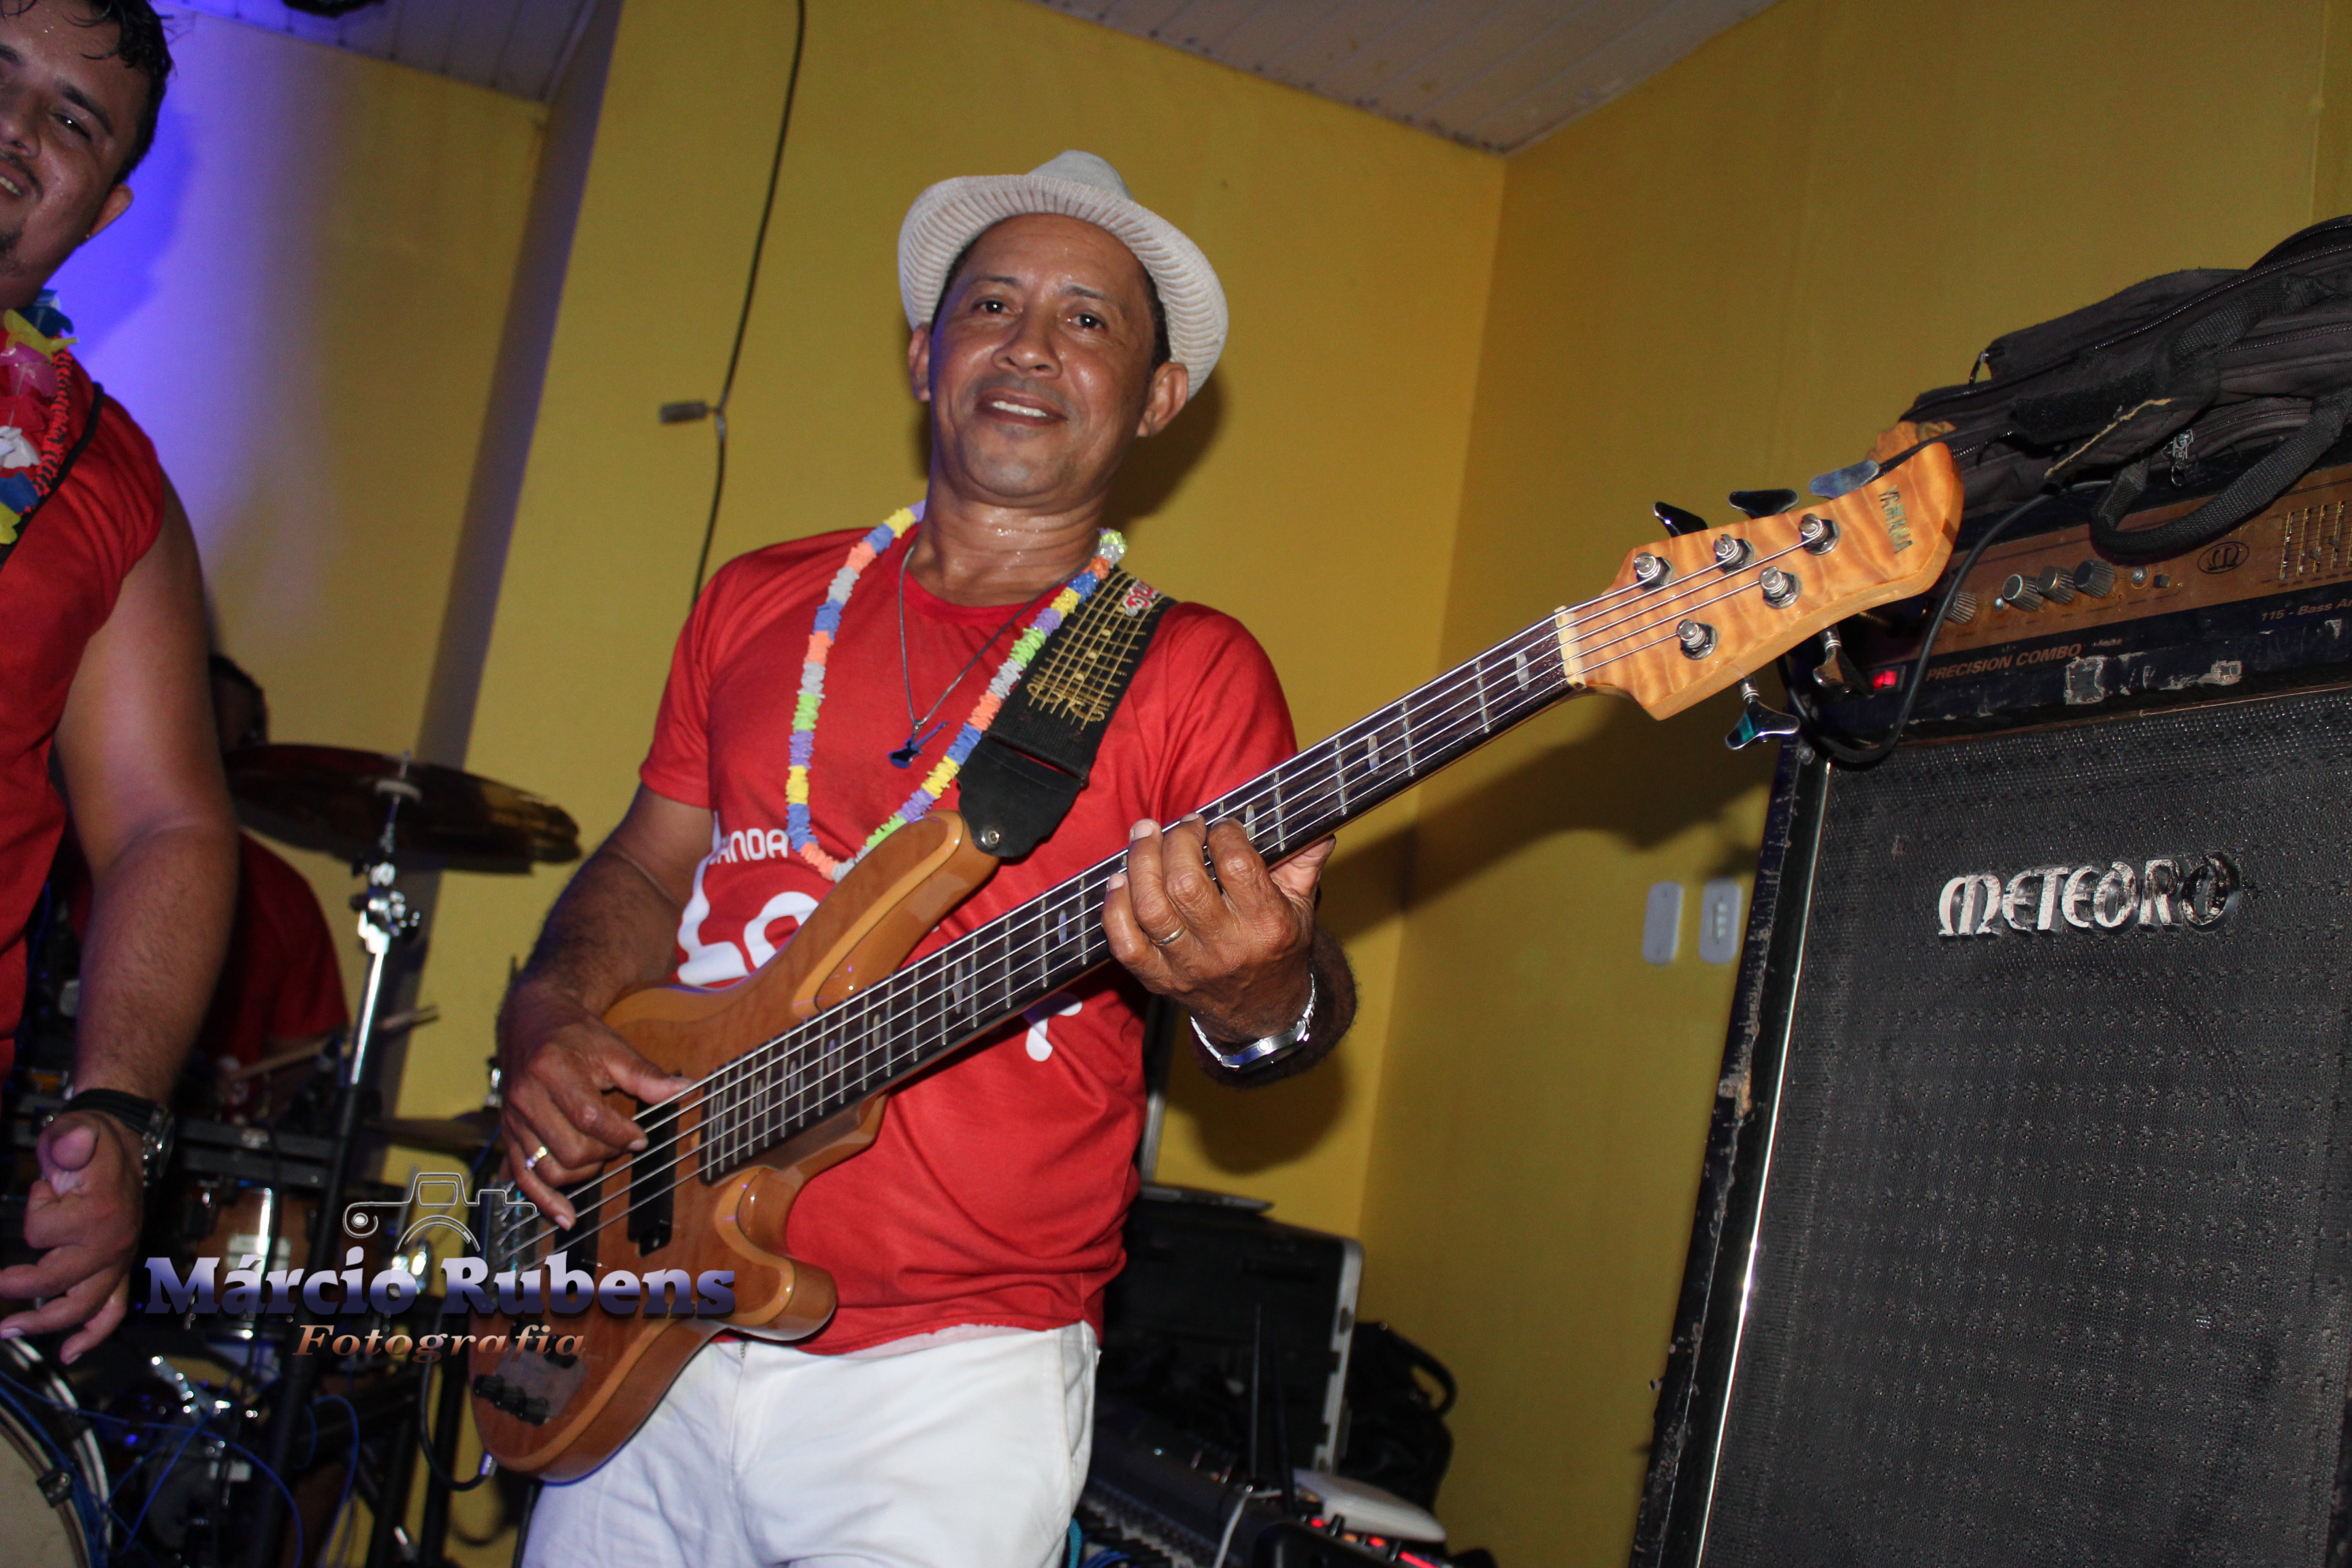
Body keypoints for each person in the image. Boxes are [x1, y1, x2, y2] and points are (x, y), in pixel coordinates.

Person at [502, 150, 1357, 1567]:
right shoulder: (758, 601)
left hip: (948, 1386)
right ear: (923, 354)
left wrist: (1256, 984)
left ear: (1157, 399)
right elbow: (647, 871)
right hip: (647, 1305)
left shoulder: (1193, 673)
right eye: (993, 306)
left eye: (1089, 320)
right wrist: (547, 1018)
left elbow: (1288, 1018)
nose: (1032, 346)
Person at [0, 0, 238, 1365]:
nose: (16, 129)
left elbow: (165, 824)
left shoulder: (101, 475)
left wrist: (119, 1112)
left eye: (72, 121)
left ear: (104, 210)